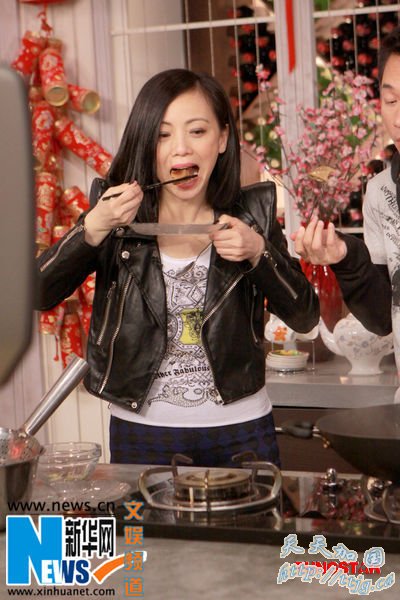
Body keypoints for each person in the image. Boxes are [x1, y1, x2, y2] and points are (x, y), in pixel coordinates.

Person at [36, 68, 319, 466]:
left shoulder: (253, 214)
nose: (181, 149)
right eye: (163, 135)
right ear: (145, 142)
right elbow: (37, 293)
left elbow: (305, 316)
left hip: (241, 430)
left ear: (222, 139)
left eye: (197, 131)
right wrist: (92, 228)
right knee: (144, 514)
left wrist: (259, 252)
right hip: (141, 432)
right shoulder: (115, 216)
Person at [291, 27, 400, 375]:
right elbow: (383, 317)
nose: (398, 119)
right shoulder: (381, 192)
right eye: (391, 101)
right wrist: (345, 257)